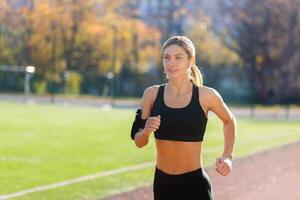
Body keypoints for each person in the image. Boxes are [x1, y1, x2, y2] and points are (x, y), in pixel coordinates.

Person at [130, 35, 236, 200]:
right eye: (167, 57)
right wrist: (146, 131)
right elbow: (139, 142)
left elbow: (229, 120)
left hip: (194, 186)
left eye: (178, 58)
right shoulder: (151, 94)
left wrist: (227, 157)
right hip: (163, 184)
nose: (171, 63)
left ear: (191, 61)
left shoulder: (206, 96)